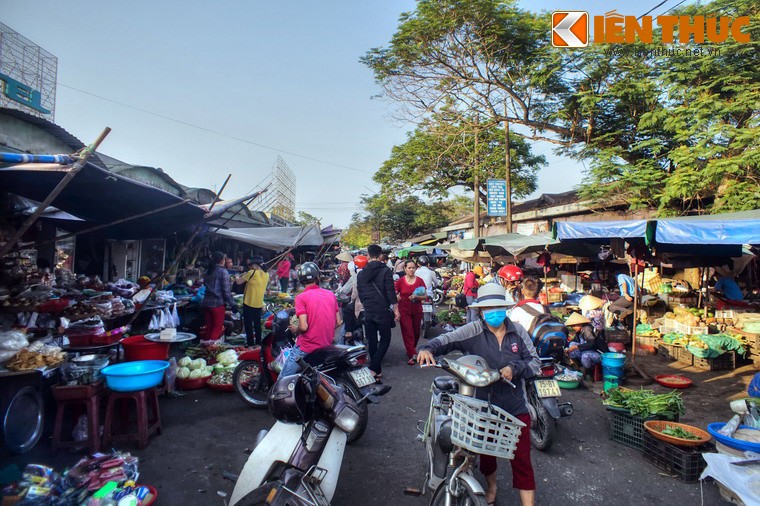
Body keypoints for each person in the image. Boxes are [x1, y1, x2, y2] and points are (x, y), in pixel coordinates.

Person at [417, 283, 540, 506]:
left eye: (498, 308)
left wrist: (515, 368)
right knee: (487, 453)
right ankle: (491, 486)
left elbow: (535, 364)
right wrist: (427, 349)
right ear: (481, 311)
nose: (494, 313)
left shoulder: (518, 331)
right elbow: (445, 340)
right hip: (482, 406)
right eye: (488, 309)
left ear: (505, 308)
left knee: (522, 460)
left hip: (515, 407)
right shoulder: (472, 330)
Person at [281, 262, 342, 377]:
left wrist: (295, 330)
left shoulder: (301, 298)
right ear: (317, 277)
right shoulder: (330, 294)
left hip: (307, 347)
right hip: (326, 345)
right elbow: (338, 322)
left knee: (283, 379)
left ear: (300, 280)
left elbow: (303, 327)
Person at [357, 244, 399, 378]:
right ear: (381, 255)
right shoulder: (386, 270)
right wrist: (396, 309)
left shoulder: (361, 273)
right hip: (382, 310)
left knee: (372, 340)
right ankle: (374, 367)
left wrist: (367, 304)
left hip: (368, 310)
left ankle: (377, 371)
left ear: (368, 255)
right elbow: (390, 291)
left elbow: (361, 293)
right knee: (386, 339)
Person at [395, 260, 427, 365]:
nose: (411, 270)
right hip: (404, 310)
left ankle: (411, 348)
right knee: (408, 331)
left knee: (416, 332)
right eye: (409, 268)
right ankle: (412, 354)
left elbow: (425, 296)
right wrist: (397, 298)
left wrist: (417, 297)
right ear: (405, 269)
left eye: (413, 268)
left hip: (417, 309)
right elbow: (394, 294)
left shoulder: (420, 281)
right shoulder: (400, 281)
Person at [201, 251, 238, 340]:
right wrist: (232, 304)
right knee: (217, 328)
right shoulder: (223, 272)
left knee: (208, 328)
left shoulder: (207, 271)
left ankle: (205, 350)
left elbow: (205, 284)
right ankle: (211, 348)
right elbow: (226, 291)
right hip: (217, 304)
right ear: (222, 261)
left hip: (206, 303)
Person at [235, 256, 269, 346]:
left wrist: (237, 276)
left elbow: (238, 282)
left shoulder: (252, 272)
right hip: (259, 303)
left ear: (255, 264)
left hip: (249, 303)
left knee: (248, 325)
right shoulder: (266, 274)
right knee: (257, 325)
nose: (251, 266)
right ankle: (258, 344)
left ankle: (250, 345)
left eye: (252, 264)